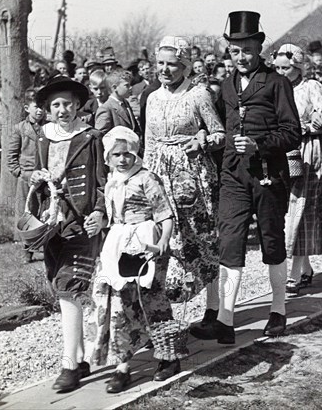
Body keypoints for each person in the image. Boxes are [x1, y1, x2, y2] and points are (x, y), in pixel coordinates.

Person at [191, 11, 301, 343]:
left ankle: (278, 310)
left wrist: (260, 144)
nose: (241, 57)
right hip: (233, 176)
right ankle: (225, 320)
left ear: (260, 48)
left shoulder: (277, 83)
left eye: (247, 50)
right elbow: (221, 129)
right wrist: (208, 140)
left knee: (271, 241)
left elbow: (292, 133)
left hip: (268, 176)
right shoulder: (225, 85)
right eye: (235, 51)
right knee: (230, 242)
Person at [86, 126, 181, 392]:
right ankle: (122, 365)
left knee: (152, 300)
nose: (122, 159)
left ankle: (168, 357)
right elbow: (111, 214)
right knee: (118, 302)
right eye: (116, 154)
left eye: (127, 153)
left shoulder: (147, 178)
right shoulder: (111, 181)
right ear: (108, 157)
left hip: (146, 240)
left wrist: (163, 240)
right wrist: (98, 222)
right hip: (118, 243)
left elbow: (165, 213)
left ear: (135, 153)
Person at [29, 76, 107, 393]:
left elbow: (102, 181)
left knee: (69, 285)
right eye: (56, 105)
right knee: (60, 284)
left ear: (78, 106)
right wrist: (34, 178)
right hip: (52, 223)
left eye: (67, 104)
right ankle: (81, 355)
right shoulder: (42, 138)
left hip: (82, 222)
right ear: (48, 109)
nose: (62, 110)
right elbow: (35, 179)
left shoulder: (90, 138)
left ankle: (69, 366)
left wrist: (100, 212)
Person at [143, 36, 225, 317]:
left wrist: (202, 142)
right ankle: (165, 314)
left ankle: (213, 308)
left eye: (172, 64)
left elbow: (219, 132)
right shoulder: (152, 97)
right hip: (159, 177)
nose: (165, 70)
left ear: (186, 66)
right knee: (165, 240)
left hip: (193, 176)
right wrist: (144, 179)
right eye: (161, 64)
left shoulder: (198, 94)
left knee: (201, 238)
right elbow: (149, 142)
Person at [273, 43, 322, 295]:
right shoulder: (275, 87)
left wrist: (308, 125)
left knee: (303, 207)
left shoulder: (310, 87)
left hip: (307, 150)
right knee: (286, 209)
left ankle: (294, 273)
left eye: (286, 68)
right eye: (277, 67)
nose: (281, 72)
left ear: (297, 67)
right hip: (281, 151)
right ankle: (304, 268)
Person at [7, 88, 46, 262]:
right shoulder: (19, 129)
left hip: (45, 177)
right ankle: (27, 249)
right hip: (27, 179)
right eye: (36, 106)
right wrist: (22, 174)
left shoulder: (49, 127)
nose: (40, 110)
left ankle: (47, 246)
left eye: (43, 107)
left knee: (46, 212)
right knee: (28, 212)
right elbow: (11, 159)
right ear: (26, 108)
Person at [95, 69, 141, 136]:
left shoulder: (126, 103)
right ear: (114, 87)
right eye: (126, 85)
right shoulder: (106, 108)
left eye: (130, 85)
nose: (130, 88)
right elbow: (100, 135)